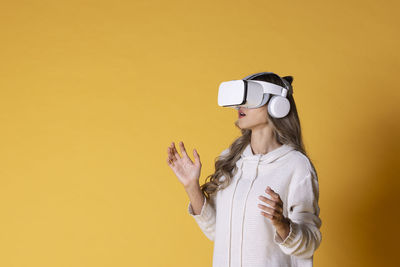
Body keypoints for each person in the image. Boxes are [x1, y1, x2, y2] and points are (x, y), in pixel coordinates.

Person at [166, 72, 322, 267]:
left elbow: (309, 243)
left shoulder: (296, 166)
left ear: (278, 105)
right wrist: (191, 186)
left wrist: (281, 223)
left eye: (253, 97)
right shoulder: (230, 160)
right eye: (241, 99)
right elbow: (217, 231)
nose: (241, 105)